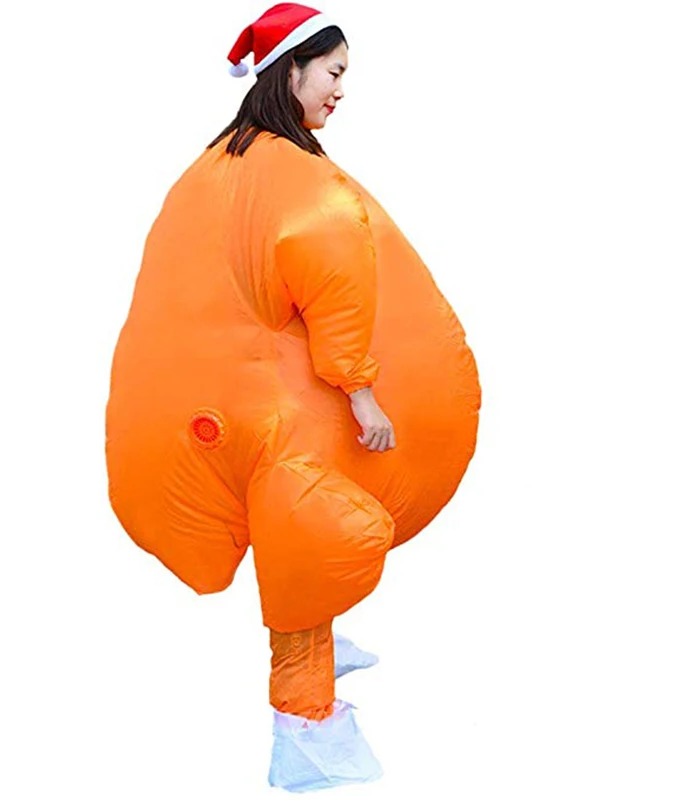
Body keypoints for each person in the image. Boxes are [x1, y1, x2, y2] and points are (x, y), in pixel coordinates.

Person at [105, 3, 481, 792]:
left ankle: (318, 647)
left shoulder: (216, 163)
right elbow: (335, 282)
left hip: (230, 396)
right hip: (279, 411)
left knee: (309, 524)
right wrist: (362, 392)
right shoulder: (299, 179)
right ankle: (306, 727)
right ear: (292, 71)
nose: (341, 90)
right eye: (334, 73)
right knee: (310, 535)